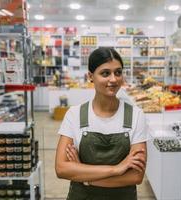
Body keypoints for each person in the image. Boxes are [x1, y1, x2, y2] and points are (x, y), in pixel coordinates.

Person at [55, 47, 149, 200]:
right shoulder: (75, 115)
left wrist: (84, 177)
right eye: (105, 73)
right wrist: (117, 169)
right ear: (90, 76)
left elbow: (136, 176)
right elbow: (61, 168)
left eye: (118, 72)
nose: (113, 79)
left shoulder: (136, 116)